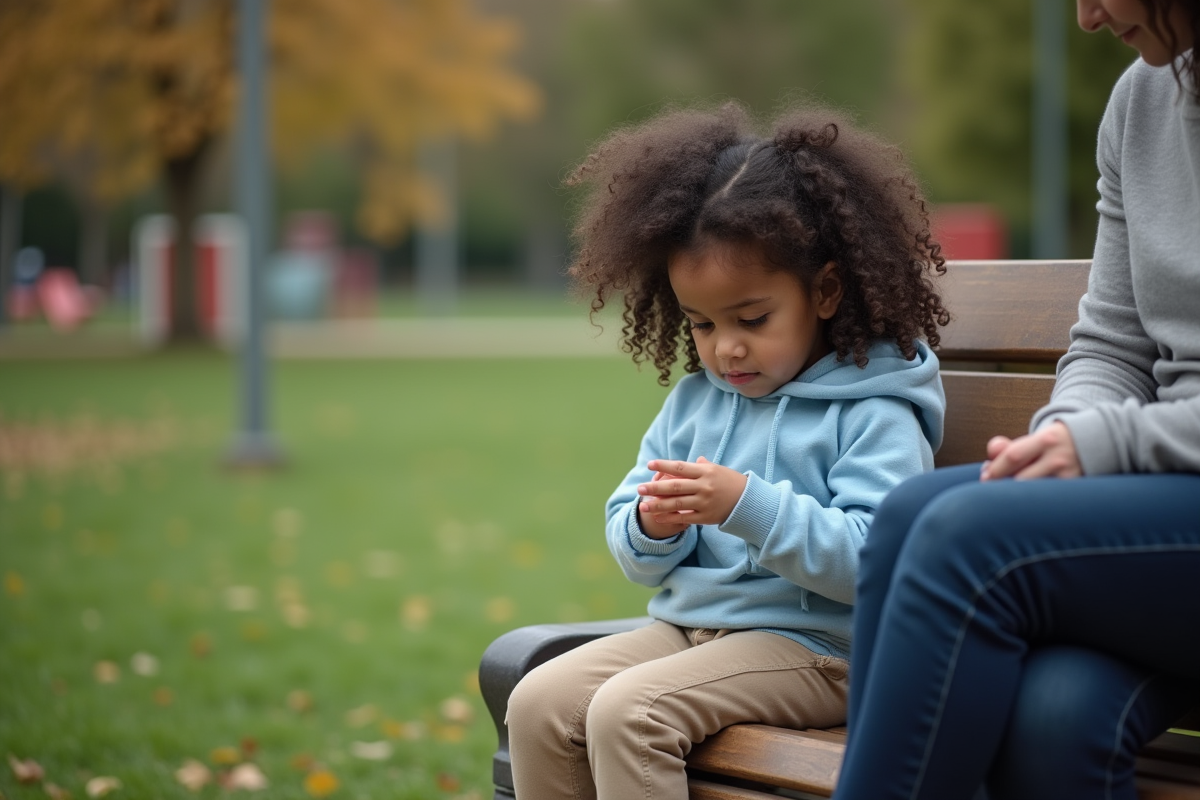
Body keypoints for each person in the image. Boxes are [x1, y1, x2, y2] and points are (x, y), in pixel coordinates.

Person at [504, 102, 949, 800]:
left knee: (631, 713)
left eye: (752, 318)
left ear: (825, 290)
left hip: (821, 651)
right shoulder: (697, 402)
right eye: (702, 324)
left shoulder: (874, 410)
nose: (725, 347)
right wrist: (652, 526)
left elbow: (876, 562)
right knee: (537, 703)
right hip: (693, 631)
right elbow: (633, 544)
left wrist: (748, 506)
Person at [833, 2, 1200, 799]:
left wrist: (1110, 447)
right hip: (1168, 510)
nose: (1087, 17)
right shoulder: (1141, 102)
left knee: (967, 539)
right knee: (1056, 714)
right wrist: (1064, 436)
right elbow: (1112, 341)